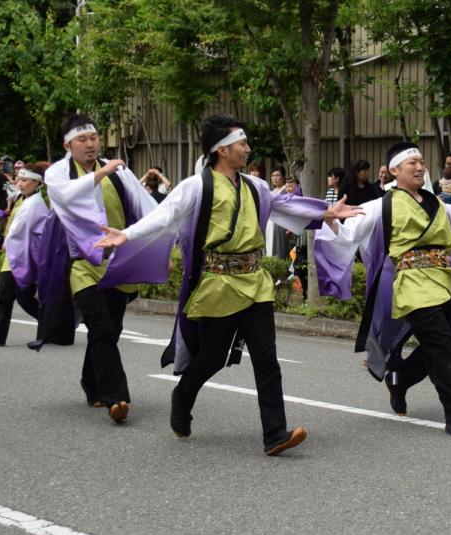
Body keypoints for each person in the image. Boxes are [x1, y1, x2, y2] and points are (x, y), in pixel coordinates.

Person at [94, 113, 361, 455]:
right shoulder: (197, 186)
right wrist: (126, 235)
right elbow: (165, 216)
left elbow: (284, 205)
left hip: (256, 281)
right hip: (219, 283)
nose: (248, 149)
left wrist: (326, 212)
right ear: (222, 150)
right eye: (242, 144)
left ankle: (275, 434)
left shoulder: (255, 186)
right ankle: (184, 394)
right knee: (213, 357)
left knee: (266, 357)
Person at [315, 142, 451, 438]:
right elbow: (346, 234)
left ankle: (401, 379)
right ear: (395, 170)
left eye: (421, 162)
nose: (420, 167)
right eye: (412, 163)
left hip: (443, 281)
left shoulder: (433, 202)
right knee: (442, 344)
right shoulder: (381, 205)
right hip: (410, 284)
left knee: (442, 342)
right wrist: (331, 219)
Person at [42, 114, 167, 425]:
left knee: (113, 327)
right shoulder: (59, 173)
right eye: (82, 140)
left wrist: (161, 246)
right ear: (67, 145)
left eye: (94, 138)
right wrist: (102, 173)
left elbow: (146, 210)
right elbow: (65, 196)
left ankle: (91, 383)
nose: (90, 144)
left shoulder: (116, 173)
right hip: (81, 265)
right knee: (102, 328)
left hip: (116, 262)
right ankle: (117, 398)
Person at [0, 162, 49, 347]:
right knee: (5, 294)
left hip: (24, 255)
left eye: (25, 180)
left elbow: (21, 228)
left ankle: (48, 325)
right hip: (14, 254)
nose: (20, 183)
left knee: (24, 299)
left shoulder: (35, 204)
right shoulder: (22, 198)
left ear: (37, 183)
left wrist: (7, 242)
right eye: (19, 179)